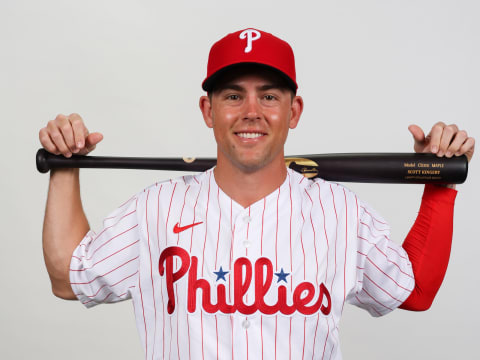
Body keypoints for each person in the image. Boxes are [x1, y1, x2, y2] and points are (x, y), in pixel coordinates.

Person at [39, 28, 475, 359]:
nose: (251, 112)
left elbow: (412, 292)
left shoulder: (341, 212)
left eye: (268, 96)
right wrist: (66, 165)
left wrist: (439, 186)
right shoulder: (155, 209)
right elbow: (67, 279)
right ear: (208, 110)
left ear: (293, 110)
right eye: (233, 95)